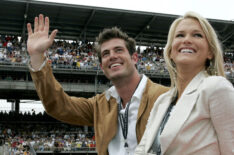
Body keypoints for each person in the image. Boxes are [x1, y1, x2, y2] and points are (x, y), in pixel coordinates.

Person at [26, 14, 168, 155]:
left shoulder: (165, 97)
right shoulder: (100, 105)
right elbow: (59, 105)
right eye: (106, 54)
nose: (112, 56)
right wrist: (37, 56)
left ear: (134, 58)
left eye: (119, 50)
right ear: (102, 66)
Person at [135, 11, 234, 155]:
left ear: (210, 52)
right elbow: (142, 149)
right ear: (170, 52)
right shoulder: (162, 101)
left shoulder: (216, 87)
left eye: (197, 35)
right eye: (180, 35)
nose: (187, 40)